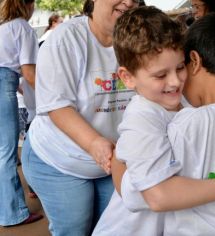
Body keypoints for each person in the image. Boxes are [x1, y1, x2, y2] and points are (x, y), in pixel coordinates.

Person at [93, 8, 215, 235]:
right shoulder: (144, 114)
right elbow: (154, 194)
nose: (175, 82)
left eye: (180, 67)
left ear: (192, 61)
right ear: (127, 77)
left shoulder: (186, 112)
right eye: (161, 75)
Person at [21, 0, 139, 235]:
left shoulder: (138, 41)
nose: (128, 2)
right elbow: (57, 106)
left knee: (112, 227)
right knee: (75, 228)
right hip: (58, 159)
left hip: (110, 161)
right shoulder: (66, 38)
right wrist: (94, 143)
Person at [0, 0, 43, 226]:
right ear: (28, 5)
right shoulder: (22, 27)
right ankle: (12, 213)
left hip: (5, 82)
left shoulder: (3, 27)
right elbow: (29, 72)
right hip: (4, 85)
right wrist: (50, 98)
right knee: (6, 153)